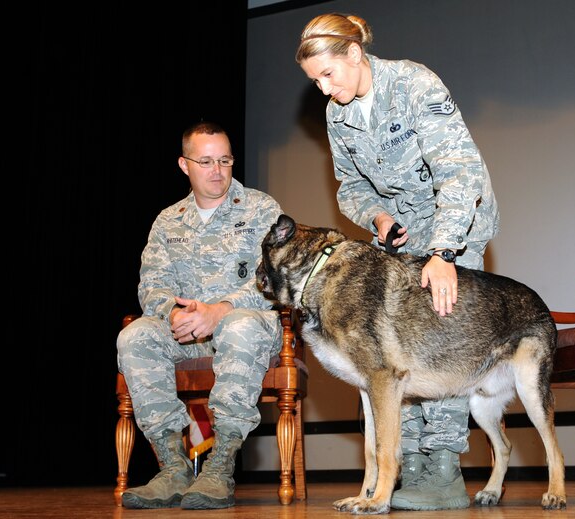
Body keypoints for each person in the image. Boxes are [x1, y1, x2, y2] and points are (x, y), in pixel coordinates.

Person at [296, 13, 500, 511]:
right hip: (402, 237)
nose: (324, 89)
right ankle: (404, 463)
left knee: (443, 335)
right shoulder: (337, 114)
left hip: (457, 220)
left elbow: (460, 172)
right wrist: (379, 217)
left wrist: (446, 252)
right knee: (391, 352)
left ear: (354, 54)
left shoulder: (414, 83)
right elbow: (351, 186)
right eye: (314, 81)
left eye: (328, 74)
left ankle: (444, 469)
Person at [116, 121, 284, 510]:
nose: (217, 171)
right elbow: (151, 286)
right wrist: (174, 312)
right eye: (206, 161)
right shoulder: (168, 220)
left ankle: (220, 466)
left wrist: (219, 312)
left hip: (249, 327)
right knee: (135, 336)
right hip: (186, 334)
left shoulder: (262, 209)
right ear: (183, 164)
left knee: (239, 326)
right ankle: (173, 467)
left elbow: (277, 277)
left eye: (225, 160)